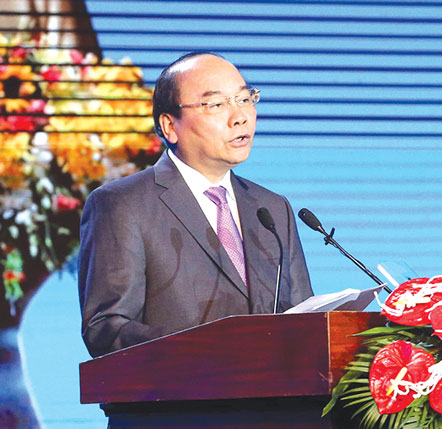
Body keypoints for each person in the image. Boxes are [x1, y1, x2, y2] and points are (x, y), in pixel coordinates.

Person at [78, 52, 313, 358]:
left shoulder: (271, 208)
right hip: (180, 402)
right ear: (169, 126)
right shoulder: (122, 205)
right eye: (216, 105)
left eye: (244, 99)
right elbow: (106, 330)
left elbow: (304, 319)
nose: (240, 116)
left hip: (275, 404)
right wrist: (210, 349)